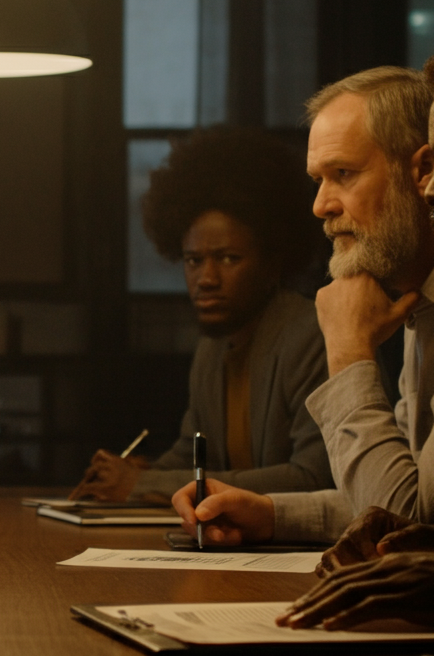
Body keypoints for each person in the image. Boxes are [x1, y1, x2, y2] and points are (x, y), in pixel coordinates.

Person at [173, 65, 434, 547]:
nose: (321, 205)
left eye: (343, 174)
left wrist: (349, 353)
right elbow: (397, 495)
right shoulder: (422, 311)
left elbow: (406, 527)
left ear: (424, 171)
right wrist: (271, 515)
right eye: (318, 180)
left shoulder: (363, 322)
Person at [71, 126, 332, 503]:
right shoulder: (212, 348)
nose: (206, 279)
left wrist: (144, 486)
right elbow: (190, 455)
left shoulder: (314, 336)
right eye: (194, 260)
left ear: (273, 263)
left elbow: (313, 478)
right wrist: (126, 478)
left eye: (228, 259)